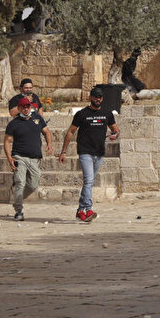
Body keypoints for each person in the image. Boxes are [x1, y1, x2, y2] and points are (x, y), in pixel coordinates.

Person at [58, 86, 120, 222]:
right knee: (89, 180)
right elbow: (70, 132)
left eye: (100, 97)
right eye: (95, 97)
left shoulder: (107, 113)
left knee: (89, 182)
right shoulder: (81, 114)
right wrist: (63, 152)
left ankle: (80, 211)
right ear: (90, 97)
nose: (98, 99)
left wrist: (114, 135)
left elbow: (115, 129)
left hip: (99, 152)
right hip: (85, 151)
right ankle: (89, 209)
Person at [3, 97, 53, 221]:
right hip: (19, 157)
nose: (26, 109)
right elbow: (7, 141)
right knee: (20, 182)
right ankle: (19, 211)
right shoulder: (14, 123)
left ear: (30, 107)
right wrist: (10, 158)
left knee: (33, 185)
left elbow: (46, 132)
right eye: (23, 107)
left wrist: (49, 145)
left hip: (35, 158)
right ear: (19, 108)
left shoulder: (38, 119)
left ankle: (16, 199)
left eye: (28, 107)